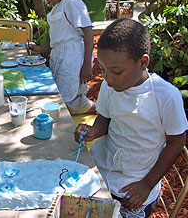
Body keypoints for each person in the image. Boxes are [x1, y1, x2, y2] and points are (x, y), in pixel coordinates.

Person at [75, 18, 188, 218]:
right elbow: (105, 118)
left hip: (136, 187)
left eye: (116, 71)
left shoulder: (166, 96)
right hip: (104, 175)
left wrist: (146, 185)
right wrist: (93, 130)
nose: (108, 78)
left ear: (143, 62)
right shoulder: (111, 86)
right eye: (103, 69)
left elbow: (176, 143)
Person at [29, 0, 95, 115]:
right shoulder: (58, 7)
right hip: (60, 58)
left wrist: (86, 65)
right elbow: (59, 38)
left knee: (68, 97)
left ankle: (95, 109)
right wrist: (42, 48)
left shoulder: (73, 2)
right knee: (61, 93)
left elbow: (88, 32)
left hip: (74, 58)